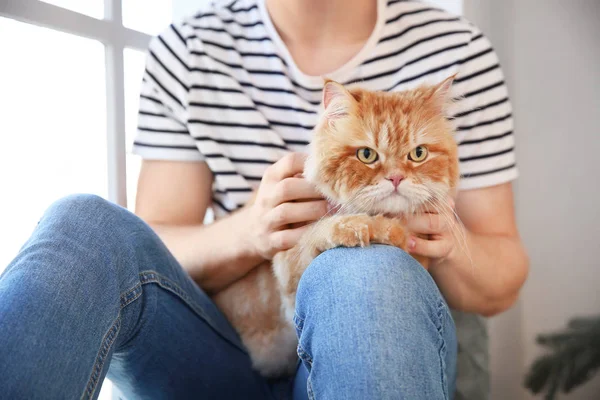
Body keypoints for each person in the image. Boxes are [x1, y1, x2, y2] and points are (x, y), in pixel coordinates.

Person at [0, 0, 529, 399]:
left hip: (373, 336)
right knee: (81, 223)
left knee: (366, 270)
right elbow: (152, 249)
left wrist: (440, 239)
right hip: (221, 346)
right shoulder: (189, 48)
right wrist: (252, 230)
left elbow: (503, 275)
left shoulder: (454, 49)